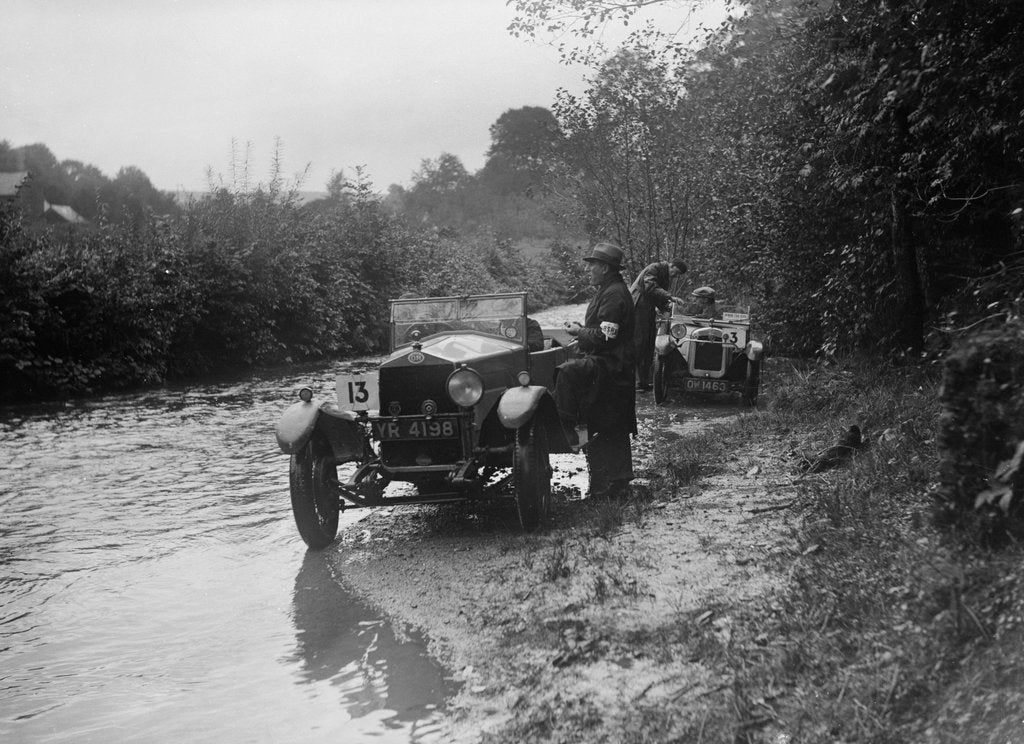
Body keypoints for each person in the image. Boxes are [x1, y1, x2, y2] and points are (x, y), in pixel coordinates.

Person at [554, 242, 637, 499]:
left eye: (592, 266)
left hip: (611, 367)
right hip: (612, 364)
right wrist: (583, 331)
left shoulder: (613, 294)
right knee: (609, 427)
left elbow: (605, 336)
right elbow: (603, 330)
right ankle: (610, 484)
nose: (589, 271)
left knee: (566, 372)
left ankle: (564, 429)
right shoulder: (609, 290)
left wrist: (579, 332)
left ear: (604, 268)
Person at [629, 258, 688, 392]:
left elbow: (657, 296)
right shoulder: (654, 268)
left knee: (649, 343)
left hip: (647, 309)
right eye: (676, 272)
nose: (675, 276)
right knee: (639, 343)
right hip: (638, 307)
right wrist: (670, 297)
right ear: (671, 265)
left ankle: (642, 382)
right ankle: (633, 382)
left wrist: (669, 309)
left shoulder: (664, 276)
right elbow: (650, 288)